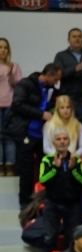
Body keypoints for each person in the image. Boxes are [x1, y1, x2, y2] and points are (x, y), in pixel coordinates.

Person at [5, 63, 61, 206]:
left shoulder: (52, 91)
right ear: (48, 74)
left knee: (47, 171)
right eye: (56, 79)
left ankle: (44, 203)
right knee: (26, 173)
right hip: (25, 132)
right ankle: (25, 207)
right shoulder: (26, 84)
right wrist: (41, 114)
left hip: (42, 137)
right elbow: (18, 104)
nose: (57, 82)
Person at [40, 128, 82, 252]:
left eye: (65, 139)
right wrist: (55, 167)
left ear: (69, 141)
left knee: (72, 239)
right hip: (52, 203)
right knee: (49, 237)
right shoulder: (47, 160)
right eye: (59, 139)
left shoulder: (76, 160)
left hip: (72, 204)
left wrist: (73, 170)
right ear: (54, 143)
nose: (62, 142)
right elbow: (42, 180)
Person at [0, 38, 21, 177]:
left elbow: (19, 86)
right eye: (0, 47)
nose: (2, 50)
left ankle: (10, 165)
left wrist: (10, 74)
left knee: (9, 137)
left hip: (10, 106)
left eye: (5, 47)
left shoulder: (14, 66)